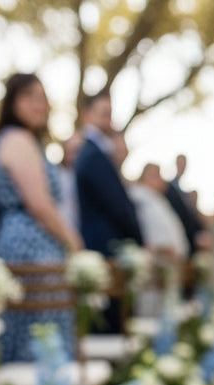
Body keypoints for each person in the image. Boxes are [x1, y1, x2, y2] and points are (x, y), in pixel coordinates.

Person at [0, 73, 82, 362]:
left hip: (36, 246)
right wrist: (74, 243)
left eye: (42, 97)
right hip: (30, 249)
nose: (39, 104)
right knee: (40, 337)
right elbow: (39, 204)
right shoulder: (17, 139)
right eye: (29, 96)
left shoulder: (28, 141)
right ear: (12, 102)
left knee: (45, 334)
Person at [74, 91, 141, 332]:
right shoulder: (93, 154)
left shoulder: (97, 152)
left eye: (110, 114)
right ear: (87, 115)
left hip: (106, 247)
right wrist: (137, 237)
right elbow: (117, 205)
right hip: (104, 248)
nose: (108, 120)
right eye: (103, 113)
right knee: (108, 323)